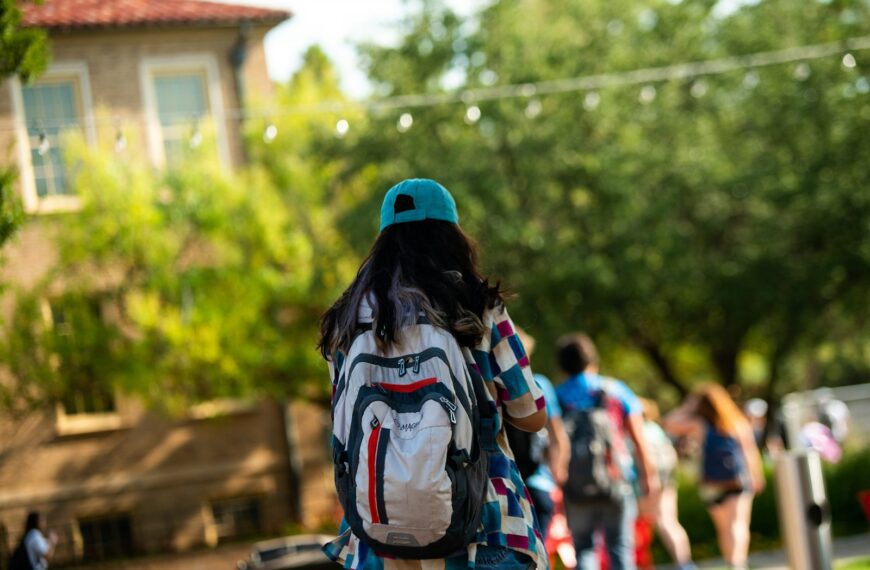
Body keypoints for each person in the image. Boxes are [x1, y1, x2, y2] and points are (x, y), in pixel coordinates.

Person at [318, 178, 548, 569]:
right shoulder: (477, 304)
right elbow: (531, 414)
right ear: (452, 236)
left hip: (379, 527)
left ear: (384, 241)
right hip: (484, 521)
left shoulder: (346, 319)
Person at [554, 332, 659, 570]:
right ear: (592, 359)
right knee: (620, 546)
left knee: (584, 548)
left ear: (561, 365)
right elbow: (639, 438)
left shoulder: (557, 396)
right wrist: (648, 476)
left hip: (575, 484)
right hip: (616, 479)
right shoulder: (615, 390)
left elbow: (552, 443)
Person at [663, 384, 765, 570]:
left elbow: (668, 422)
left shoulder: (698, 425)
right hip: (737, 479)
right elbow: (750, 452)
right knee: (738, 524)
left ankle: (732, 562)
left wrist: (687, 407)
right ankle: (737, 564)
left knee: (724, 528)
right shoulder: (737, 422)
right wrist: (757, 475)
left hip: (711, 484)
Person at [507, 329, 571, 542]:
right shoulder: (539, 384)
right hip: (539, 483)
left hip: (507, 486)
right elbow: (557, 436)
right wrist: (557, 475)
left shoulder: (495, 387)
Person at [637, 399, 696, 570]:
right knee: (669, 522)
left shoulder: (638, 432)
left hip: (648, 483)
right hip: (667, 481)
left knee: (640, 526)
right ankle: (685, 563)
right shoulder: (656, 430)